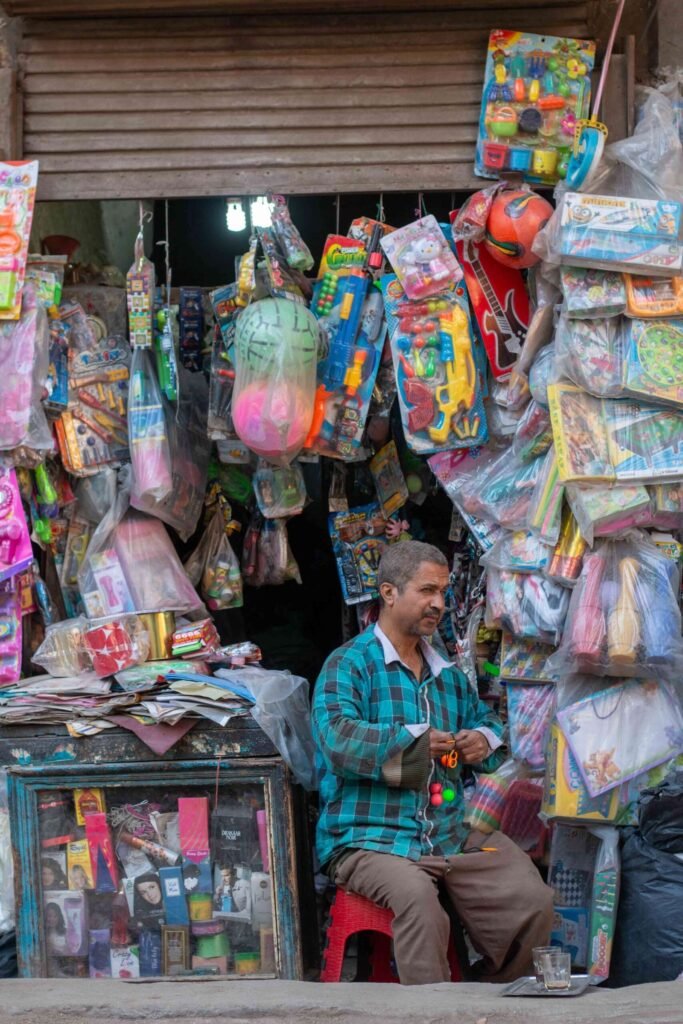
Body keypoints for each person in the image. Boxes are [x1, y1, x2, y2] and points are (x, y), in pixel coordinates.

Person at [312, 540, 553, 986]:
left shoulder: (448, 677)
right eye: (427, 590)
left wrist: (481, 740)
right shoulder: (348, 664)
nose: (439, 603)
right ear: (389, 593)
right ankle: (434, 1012)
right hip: (369, 840)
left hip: (448, 836)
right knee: (419, 904)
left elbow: (488, 729)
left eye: (442, 591)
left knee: (532, 898)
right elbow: (336, 738)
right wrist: (416, 743)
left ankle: (490, 994)